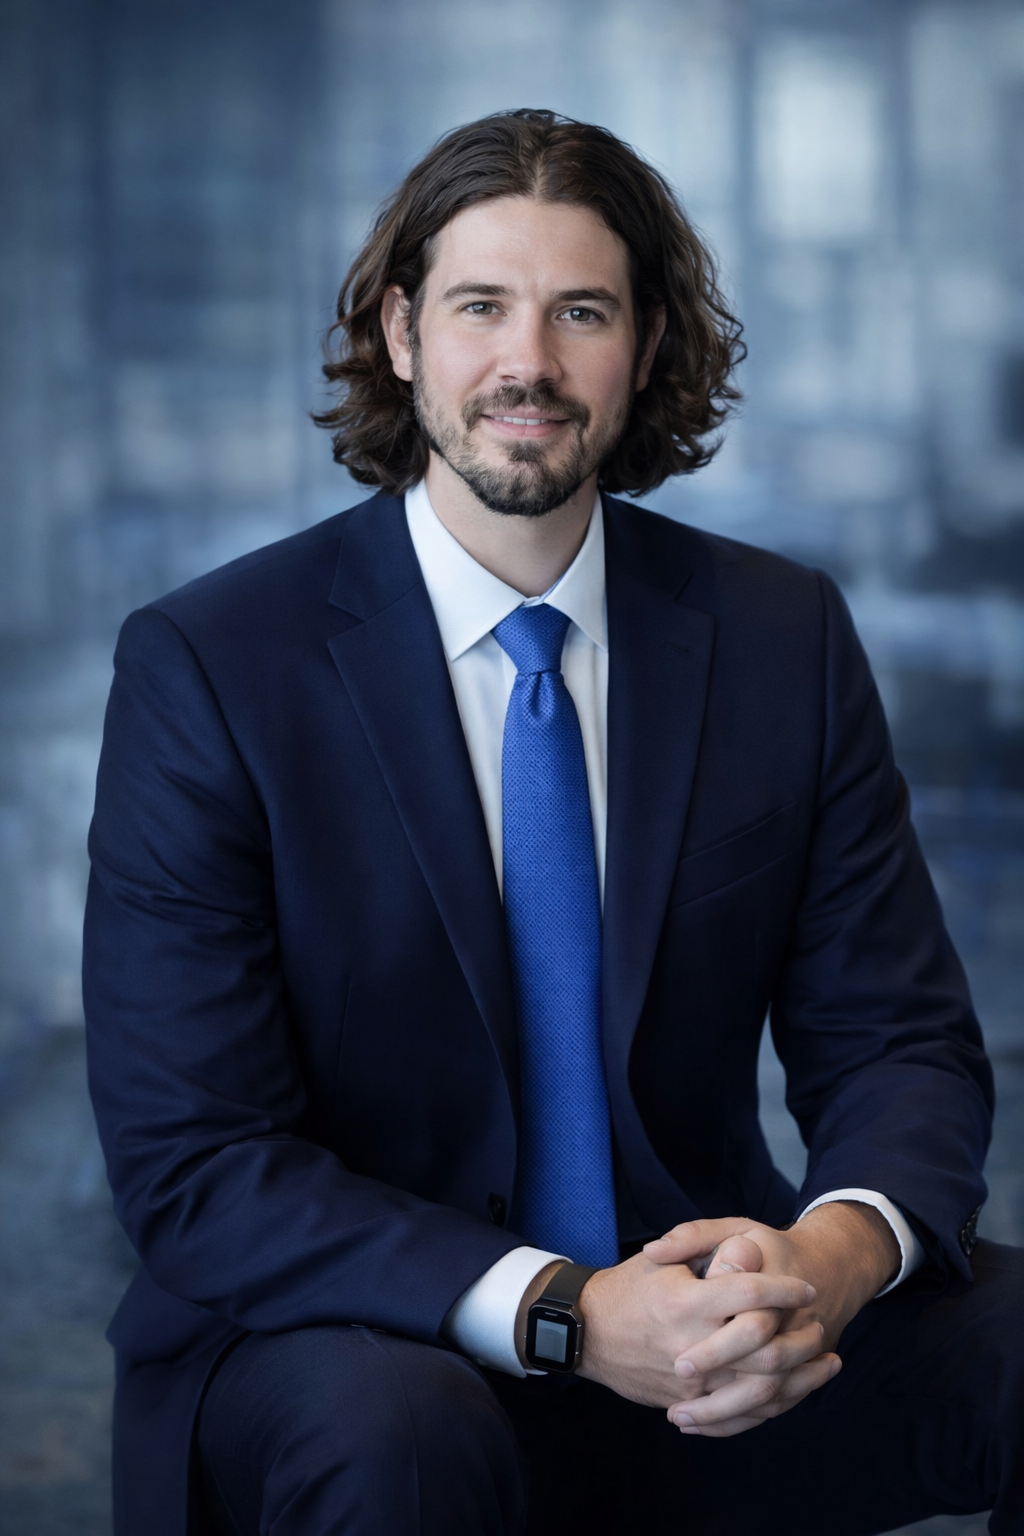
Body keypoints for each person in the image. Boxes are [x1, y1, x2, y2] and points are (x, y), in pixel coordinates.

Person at [83, 109, 1021, 1536]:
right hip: (351, 1336)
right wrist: (567, 1313)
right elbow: (197, 1162)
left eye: (581, 311)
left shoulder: (782, 637)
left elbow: (898, 1040)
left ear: (646, 346)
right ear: (402, 334)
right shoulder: (212, 667)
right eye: (481, 307)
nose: (527, 361)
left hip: (703, 1319)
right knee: (400, 1436)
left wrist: (828, 1262)